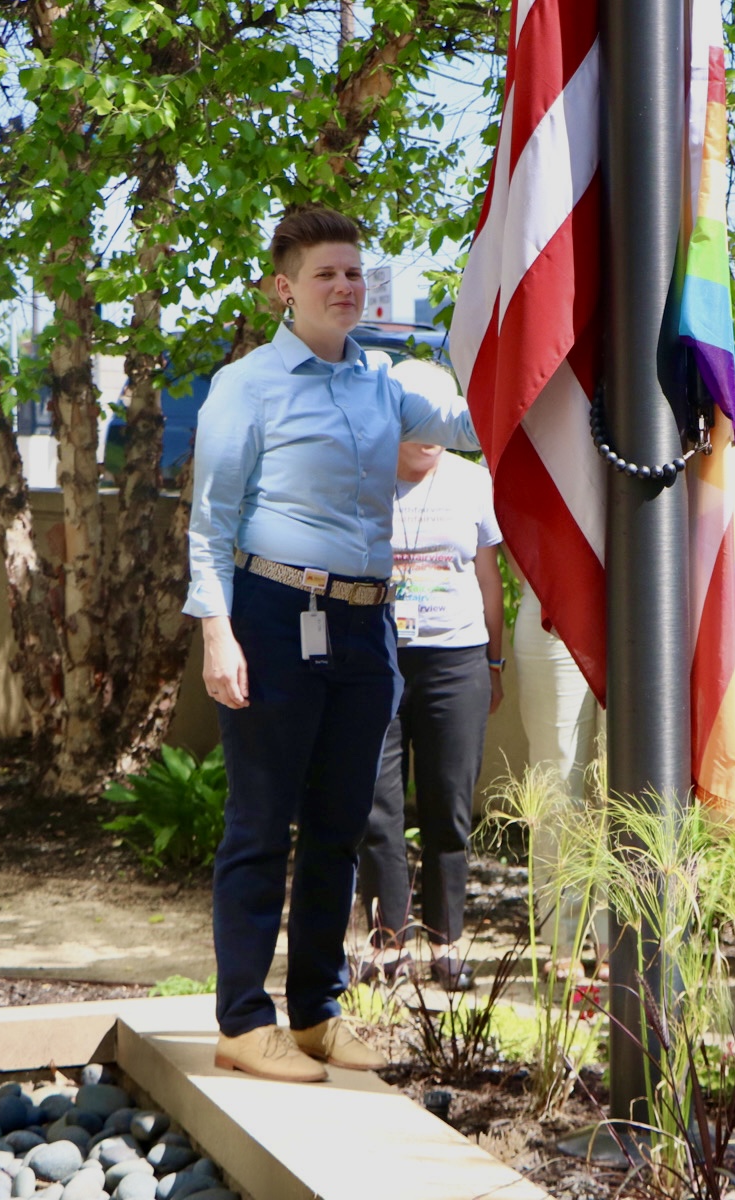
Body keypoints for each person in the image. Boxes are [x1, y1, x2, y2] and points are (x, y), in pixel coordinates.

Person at [185, 207, 477, 1083]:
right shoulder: (248, 385)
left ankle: (315, 1011)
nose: (346, 286)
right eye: (326, 274)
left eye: (355, 273)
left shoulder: (385, 382)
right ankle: (243, 1020)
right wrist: (217, 636)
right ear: (284, 288)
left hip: (366, 626)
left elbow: (473, 420)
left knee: (343, 828)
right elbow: (211, 524)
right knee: (260, 827)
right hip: (275, 617)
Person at [354, 375, 505, 993]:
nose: (431, 437)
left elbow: (490, 577)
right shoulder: (359, 474)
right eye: (419, 421)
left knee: (449, 808)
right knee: (378, 810)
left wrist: (494, 663)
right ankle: (387, 944)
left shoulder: (473, 479)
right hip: (377, 661)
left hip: (457, 660)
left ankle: (448, 943)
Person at [512, 573, 608, 980]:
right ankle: (562, 939)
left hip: (642, 603)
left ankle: (618, 935)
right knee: (558, 779)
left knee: (624, 783)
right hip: (553, 599)